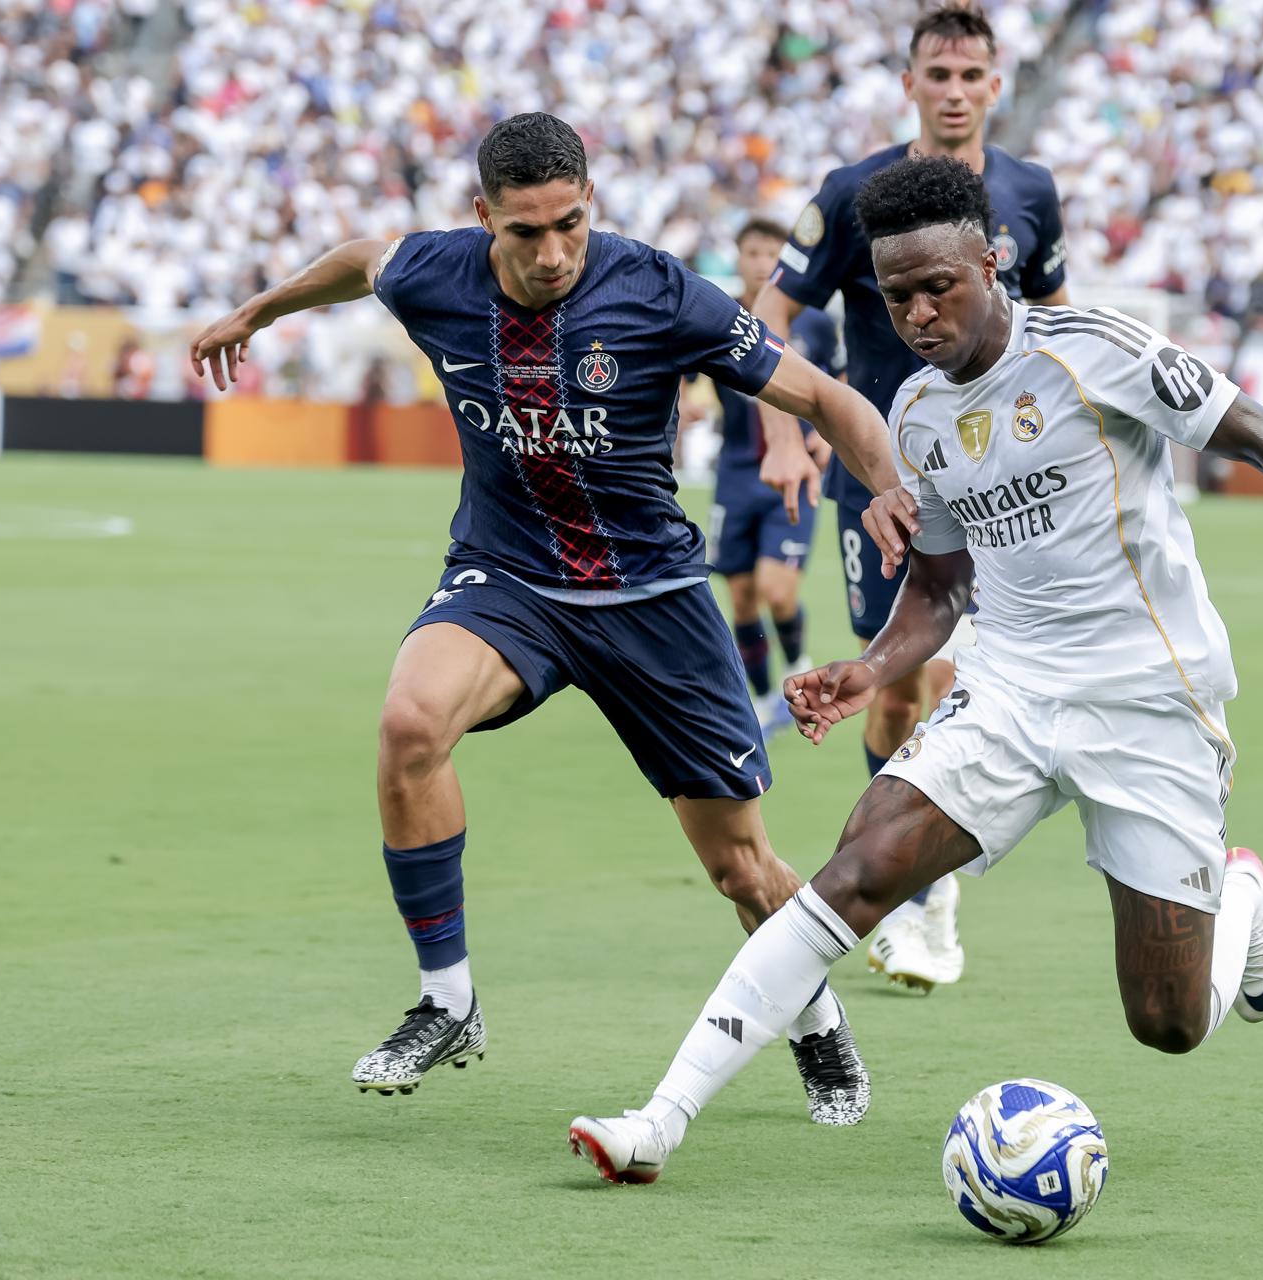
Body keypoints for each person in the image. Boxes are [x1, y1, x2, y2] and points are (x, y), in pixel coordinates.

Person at [567, 155, 1263, 1185]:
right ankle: (660, 1117)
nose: (915, 312)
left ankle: (1241, 899)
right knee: (858, 865)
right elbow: (944, 584)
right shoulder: (915, 414)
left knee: (1168, 1022)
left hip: (1148, 699)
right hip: (1008, 689)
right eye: (895, 294)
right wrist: (872, 668)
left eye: (936, 286)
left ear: (991, 263)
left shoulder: (1098, 352)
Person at [188, 112, 913, 1125]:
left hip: (653, 599)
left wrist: (882, 487)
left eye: (569, 223)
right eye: (525, 231)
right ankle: (449, 1000)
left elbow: (832, 400)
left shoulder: (658, 291)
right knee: (408, 725)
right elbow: (362, 258)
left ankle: (817, 1015)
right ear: (483, 216)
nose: (552, 251)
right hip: (510, 579)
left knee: (739, 865)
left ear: (592, 204)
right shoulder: (434, 274)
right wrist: (259, 312)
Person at [751, 0, 1070, 994]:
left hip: (1002, 476)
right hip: (884, 480)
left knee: (945, 678)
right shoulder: (855, 192)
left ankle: (925, 888)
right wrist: (783, 428)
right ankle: (917, 860)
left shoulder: (1031, 193)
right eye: (940, 76)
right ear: (911, 84)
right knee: (891, 684)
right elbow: (770, 310)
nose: (958, 93)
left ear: (997, 83)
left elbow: (1058, 324)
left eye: (975, 76)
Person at [693, 219, 840, 735]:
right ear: (738, 257)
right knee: (742, 597)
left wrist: (825, 436)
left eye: (769, 252)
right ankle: (758, 697)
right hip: (734, 475)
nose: (760, 262)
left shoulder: (814, 323)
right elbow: (683, 377)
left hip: (793, 474)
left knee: (778, 591)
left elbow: (838, 382)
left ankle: (799, 668)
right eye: (751, 252)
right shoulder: (714, 317)